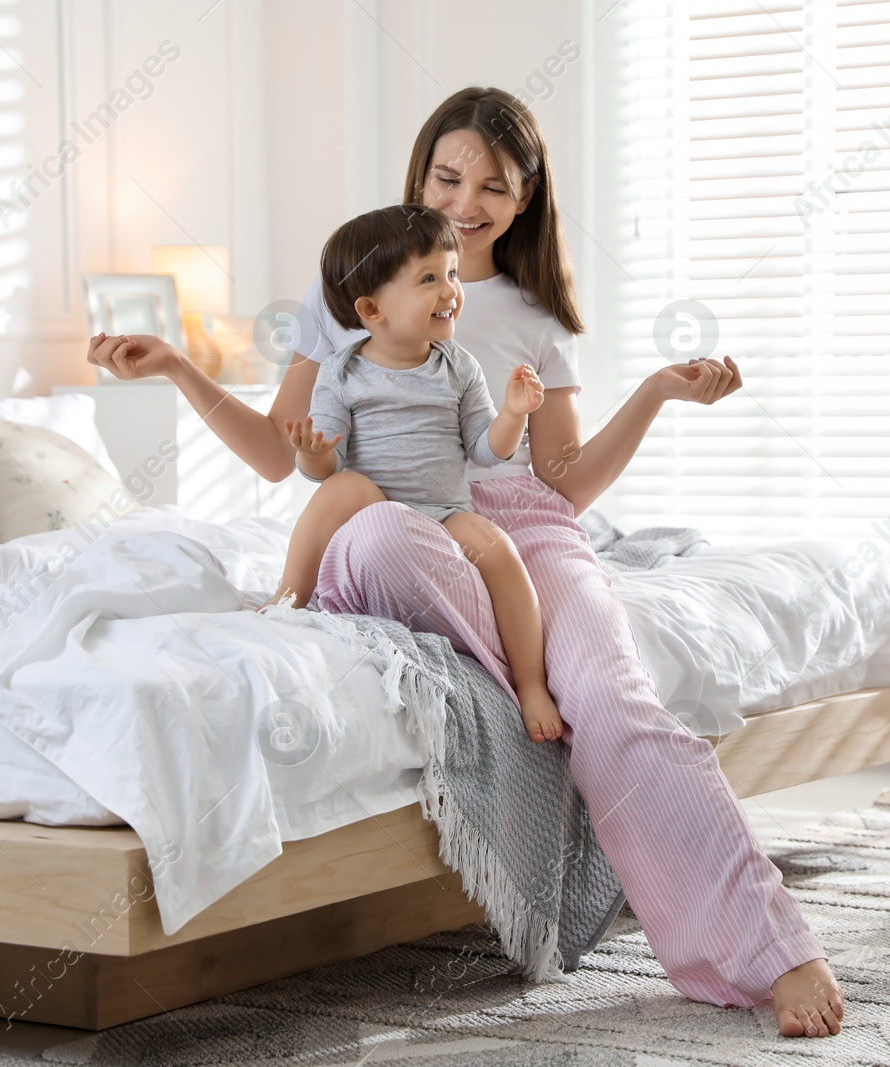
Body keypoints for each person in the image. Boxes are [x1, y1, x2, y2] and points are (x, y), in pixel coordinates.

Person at [88, 86, 845, 1038]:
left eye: (494, 184)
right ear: (420, 174)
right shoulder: (354, 292)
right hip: (392, 525)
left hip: (520, 531)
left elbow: (560, 485)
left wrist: (654, 393)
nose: (466, 199)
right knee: (373, 530)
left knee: (611, 700)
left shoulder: (535, 315)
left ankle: (771, 948)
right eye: (448, 176)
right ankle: (528, 684)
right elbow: (284, 454)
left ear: (525, 199)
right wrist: (175, 370)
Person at [272, 203, 563, 744]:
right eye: (429, 278)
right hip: (372, 506)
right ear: (372, 308)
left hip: (444, 513)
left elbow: (485, 450)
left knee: (497, 548)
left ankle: (530, 683)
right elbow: (327, 466)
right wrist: (312, 453)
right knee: (345, 485)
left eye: (452, 273)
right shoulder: (344, 370)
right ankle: (288, 596)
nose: (451, 289)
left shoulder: (458, 366)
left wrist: (514, 414)